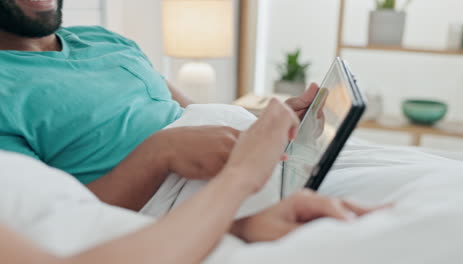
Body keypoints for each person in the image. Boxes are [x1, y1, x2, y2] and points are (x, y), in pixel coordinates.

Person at [0, 0, 320, 211]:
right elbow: (47, 226)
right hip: (178, 204)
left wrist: (271, 123)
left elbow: (190, 112)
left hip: (258, 164)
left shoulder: (104, 38)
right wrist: (159, 154)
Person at [0, 99, 380, 263]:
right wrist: (241, 176)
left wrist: (240, 229)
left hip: (201, 222)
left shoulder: (108, 42)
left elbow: (70, 218)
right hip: (207, 192)